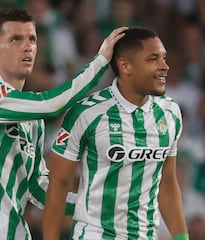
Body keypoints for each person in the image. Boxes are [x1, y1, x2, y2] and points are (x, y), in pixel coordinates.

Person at [0, 8, 127, 240]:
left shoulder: (33, 119)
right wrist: (100, 62)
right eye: (15, 39)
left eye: (32, 39)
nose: (27, 46)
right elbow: (51, 104)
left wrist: (93, 204)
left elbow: (38, 190)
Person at [43, 27, 189, 240]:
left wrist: (182, 237)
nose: (164, 67)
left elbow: (166, 181)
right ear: (125, 65)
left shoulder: (170, 112)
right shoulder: (87, 113)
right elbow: (59, 185)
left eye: (164, 58)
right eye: (153, 59)